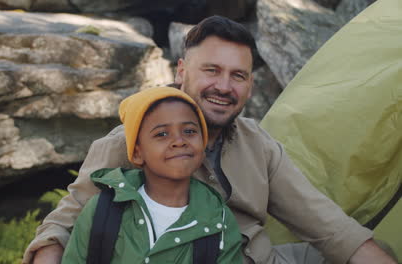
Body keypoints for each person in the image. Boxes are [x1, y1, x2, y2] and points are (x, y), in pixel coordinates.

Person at [24, 15, 396, 264]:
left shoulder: (257, 145)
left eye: (238, 75)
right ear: (182, 70)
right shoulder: (132, 140)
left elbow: (327, 225)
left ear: (250, 84)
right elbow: (62, 225)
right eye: (212, 71)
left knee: (369, 250)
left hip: (258, 257)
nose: (224, 86)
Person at [61, 86, 243, 263]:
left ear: (202, 145)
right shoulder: (103, 210)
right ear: (137, 153)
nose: (179, 141)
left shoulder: (220, 221)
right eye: (162, 134)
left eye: (189, 131)